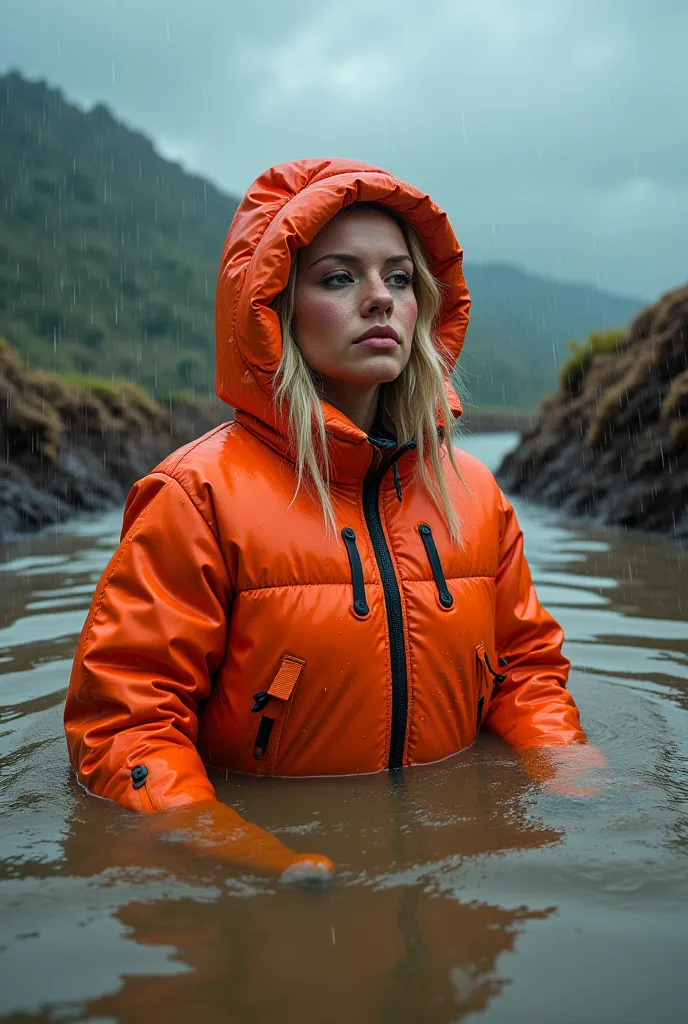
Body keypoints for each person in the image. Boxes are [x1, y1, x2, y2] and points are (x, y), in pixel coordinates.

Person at [64, 157, 604, 885]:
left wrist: (574, 777)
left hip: (455, 899)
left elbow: (526, 672)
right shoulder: (195, 495)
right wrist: (244, 853)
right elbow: (126, 726)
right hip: (267, 891)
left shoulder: (474, 491)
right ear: (273, 308)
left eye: (400, 278)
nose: (379, 299)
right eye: (339, 277)